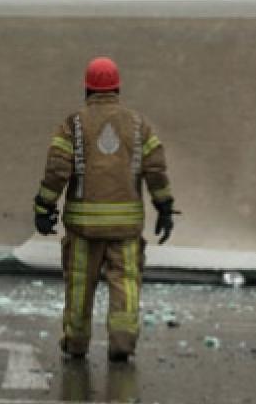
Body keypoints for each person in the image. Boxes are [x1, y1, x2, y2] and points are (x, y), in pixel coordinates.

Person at [32, 57, 175, 363]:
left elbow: (57, 169)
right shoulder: (139, 125)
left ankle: (76, 342)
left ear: (87, 89)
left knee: (80, 283)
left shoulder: (73, 124)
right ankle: (122, 342)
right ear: (117, 88)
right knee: (125, 283)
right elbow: (156, 169)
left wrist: (44, 205)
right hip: (125, 228)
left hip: (84, 227)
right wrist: (164, 206)